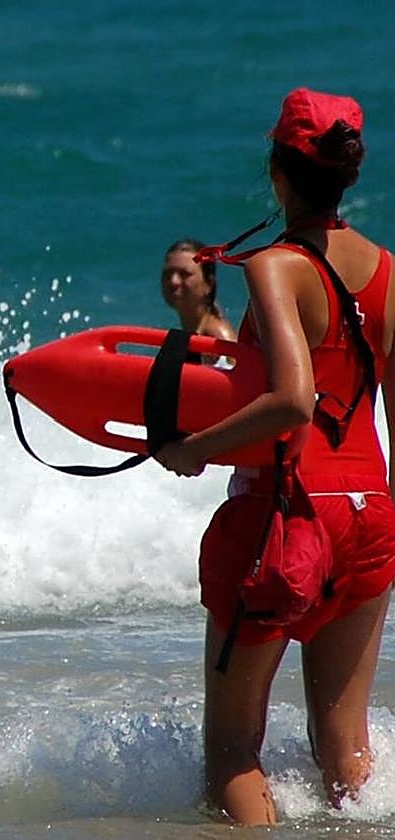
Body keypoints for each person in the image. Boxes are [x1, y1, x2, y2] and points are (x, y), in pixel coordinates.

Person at [154, 88, 395, 825]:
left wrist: (192, 448)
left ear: (278, 175)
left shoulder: (275, 265)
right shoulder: (389, 269)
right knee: (344, 748)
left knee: (232, 747)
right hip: (372, 514)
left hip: (284, 514)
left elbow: (292, 398)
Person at [160, 239, 237, 342]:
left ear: (209, 284)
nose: (173, 281)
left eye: (185, 274)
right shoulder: (196, 330)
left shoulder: (217, 340)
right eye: (168, 273)